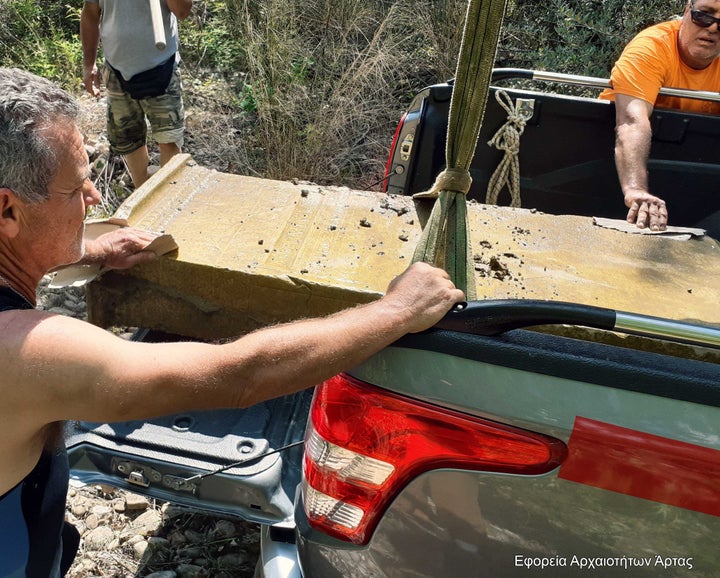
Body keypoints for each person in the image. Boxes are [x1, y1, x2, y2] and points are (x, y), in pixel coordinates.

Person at [0, 67, 464, 577]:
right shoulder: (26, 354)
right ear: (8, 210)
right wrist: (396, 310)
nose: (93, 199)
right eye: (76, 189)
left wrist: (90, 247)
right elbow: (237, 375)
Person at [599, 0, 720, 231]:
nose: (713, 28)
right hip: (612, 171)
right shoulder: (652, 47)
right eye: (704, 16)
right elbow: (631, 121)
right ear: (687, 10)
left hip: (697, 185)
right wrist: (636, 190)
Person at [81, 0, 193, 188]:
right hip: (117, 69)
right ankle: (142, 196)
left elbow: (182, 11)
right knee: (129, 140)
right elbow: (90, 14)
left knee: (169, 140)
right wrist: (88, 64)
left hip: (160, 66)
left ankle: (168, 200)